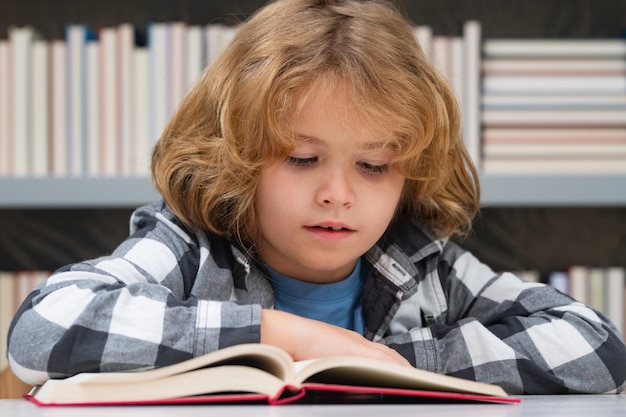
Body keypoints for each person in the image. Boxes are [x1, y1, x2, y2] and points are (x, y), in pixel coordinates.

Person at [7, 0, 626, 395]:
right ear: (237, 157)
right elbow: (42, 330)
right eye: (302, 159)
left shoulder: (421, 262)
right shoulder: (191, 251)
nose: (338, 195)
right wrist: (285, 337)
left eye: (375, 165)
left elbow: (595, 345)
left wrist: (386, 363)